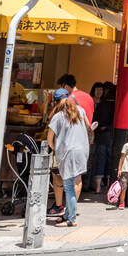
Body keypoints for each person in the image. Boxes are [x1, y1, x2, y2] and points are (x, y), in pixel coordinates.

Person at [46, 88, 91, 227]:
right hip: (82, 151)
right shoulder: (81, 110)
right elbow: (89, 127)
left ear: (57, 102)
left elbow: (49, 139)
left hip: (68, 153)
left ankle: (71, 219)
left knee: (69, 187)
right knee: (73, 183)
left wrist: (56, 149)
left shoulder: (57, 116)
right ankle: (66, 215)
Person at [90, 82, 116, 195]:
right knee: (110, 160)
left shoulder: (101, 104)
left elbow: (94, 120)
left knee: (99, 160)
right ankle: (109, 186)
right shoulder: (115, 105)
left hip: (99, 136)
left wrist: (99, 128)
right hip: (110, 135)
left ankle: (97, 187)